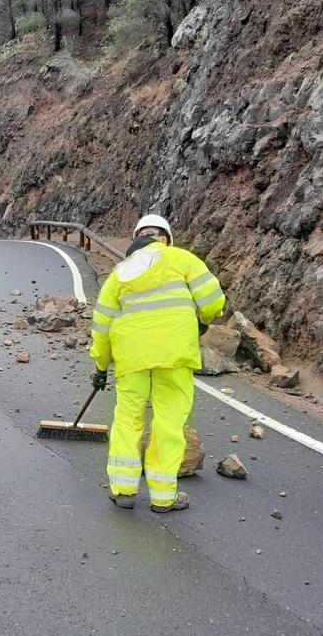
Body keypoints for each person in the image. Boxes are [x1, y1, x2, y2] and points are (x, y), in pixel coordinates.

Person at [89, 214, 226, 512]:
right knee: (169, 421)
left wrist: (100, 365)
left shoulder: (118, 274)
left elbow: (101, 327)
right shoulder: (182, 259)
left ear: (136, 238)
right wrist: (201, 321)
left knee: (127, 418)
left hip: (132, 358)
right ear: (165, 238)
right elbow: (214, 301)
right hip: (175, 354)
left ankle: (124, 490)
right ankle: (164, 498)